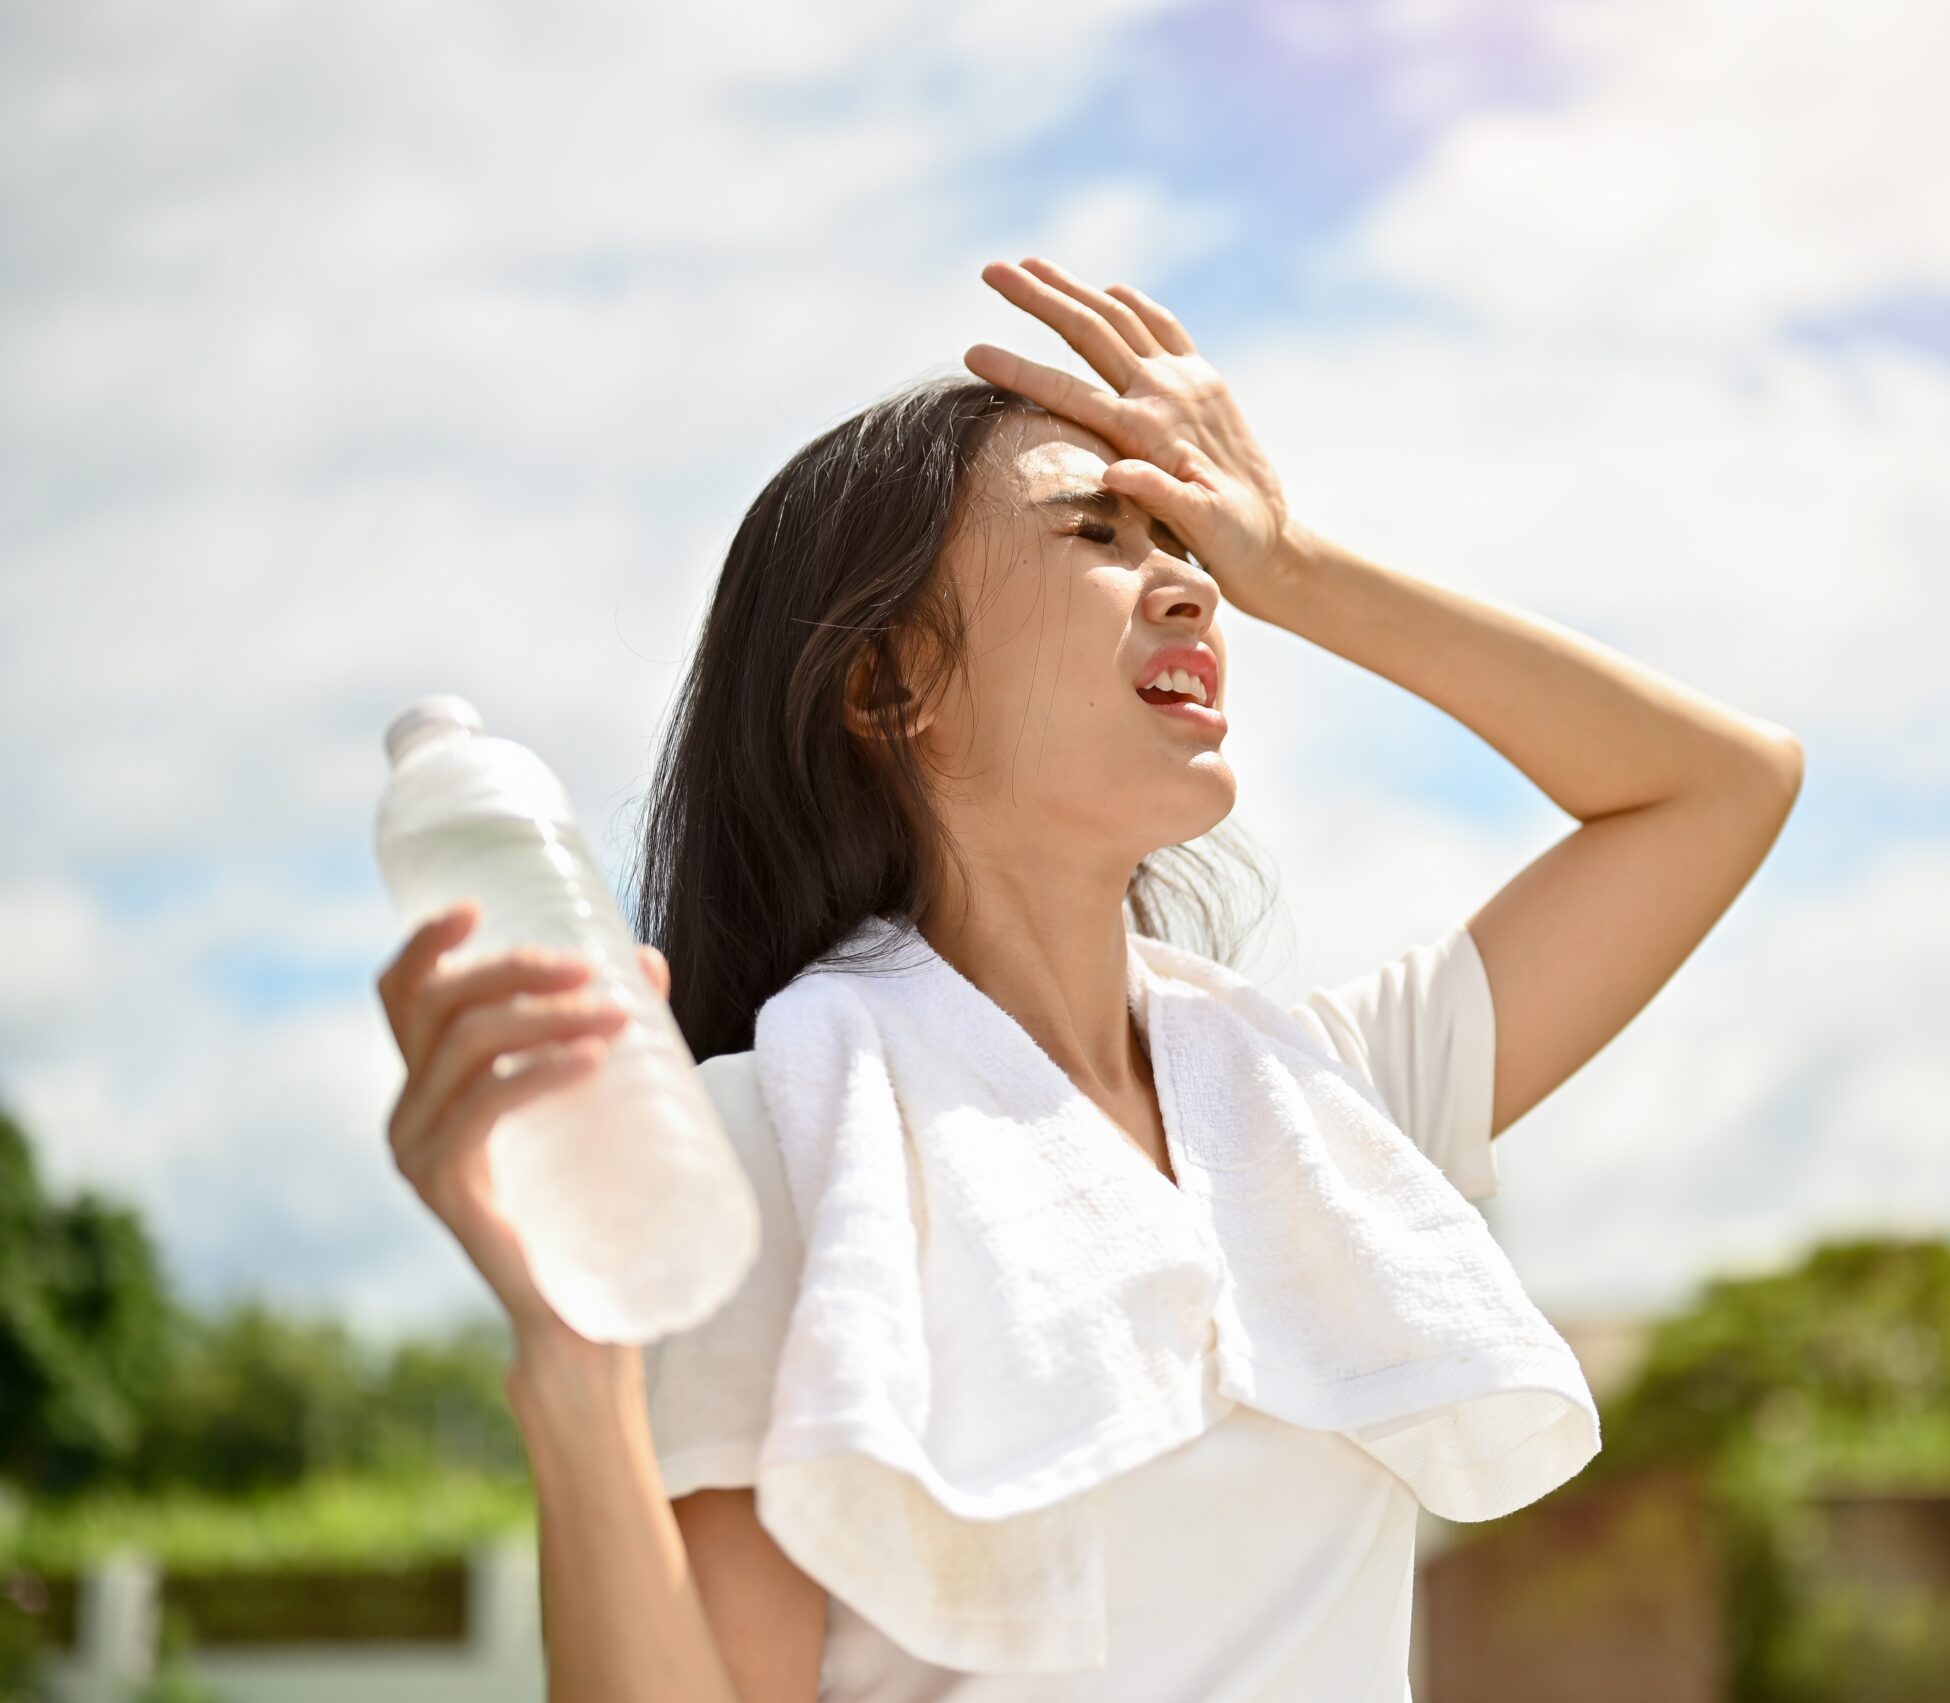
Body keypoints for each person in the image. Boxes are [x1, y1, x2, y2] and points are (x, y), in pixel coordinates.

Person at [375, 255, 1805, 1702]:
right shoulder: (779, 1141)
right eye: (1102, 533)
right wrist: (574, 1362)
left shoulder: (1329, 1107)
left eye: (1181, 534)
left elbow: (1717, 787)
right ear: (887, 685)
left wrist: (1296, 566)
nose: (1189, 578)